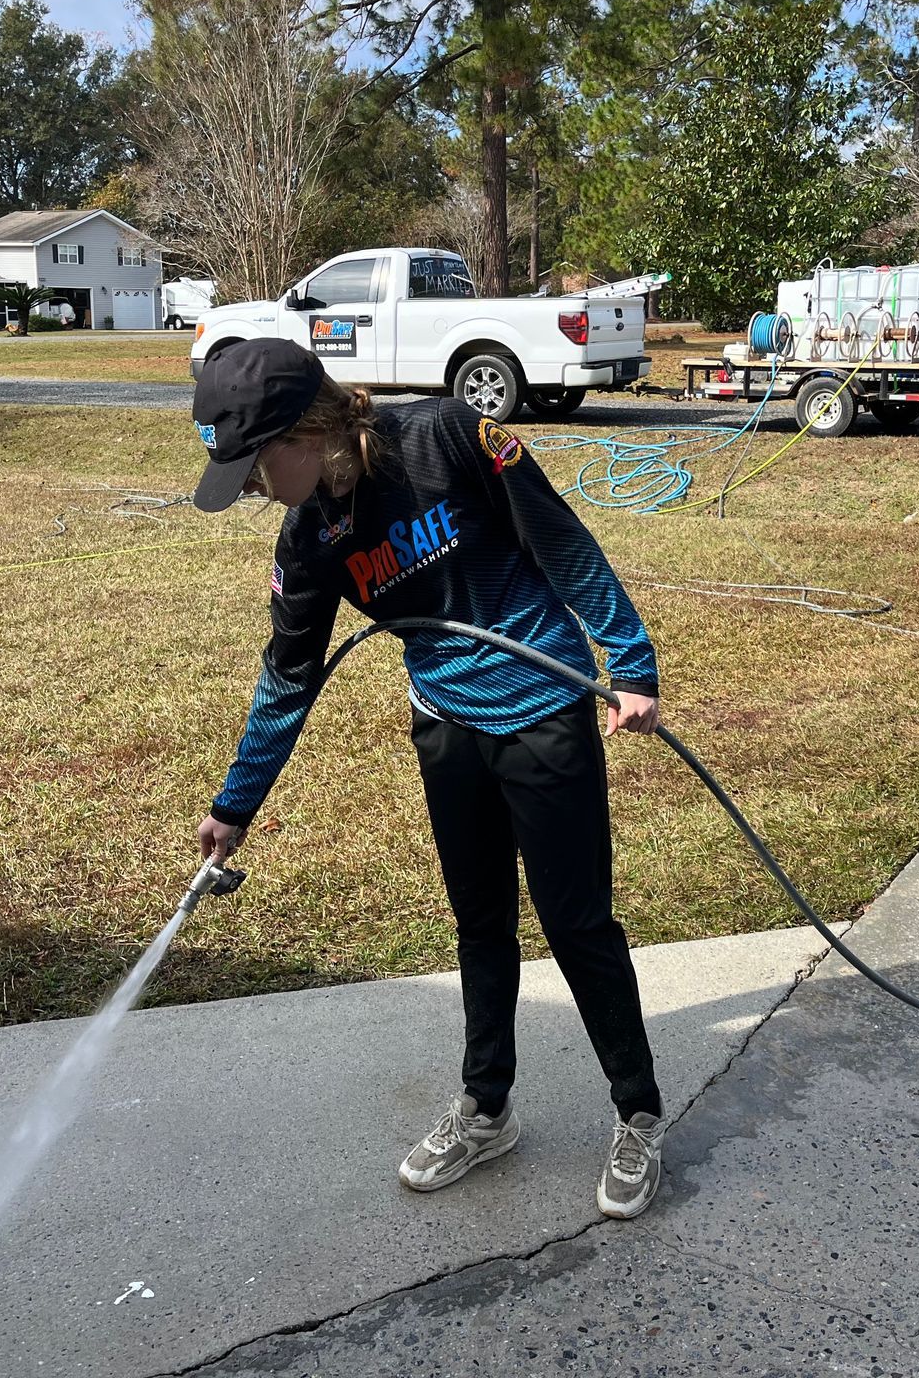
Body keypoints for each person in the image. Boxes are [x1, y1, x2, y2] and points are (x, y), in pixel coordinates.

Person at [190, 338, 669, 1220]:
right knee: (480, 922)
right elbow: (288, 679)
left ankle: (638, 1111)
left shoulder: (447, 435)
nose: (249, 487)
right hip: (446, 724)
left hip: (542, 702)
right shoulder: (309, 542)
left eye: (252, 465)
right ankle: (487, 1108)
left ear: (304, 433)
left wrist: (631, 663)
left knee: (576, 922)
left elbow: (562, 542)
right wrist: (235, 805)